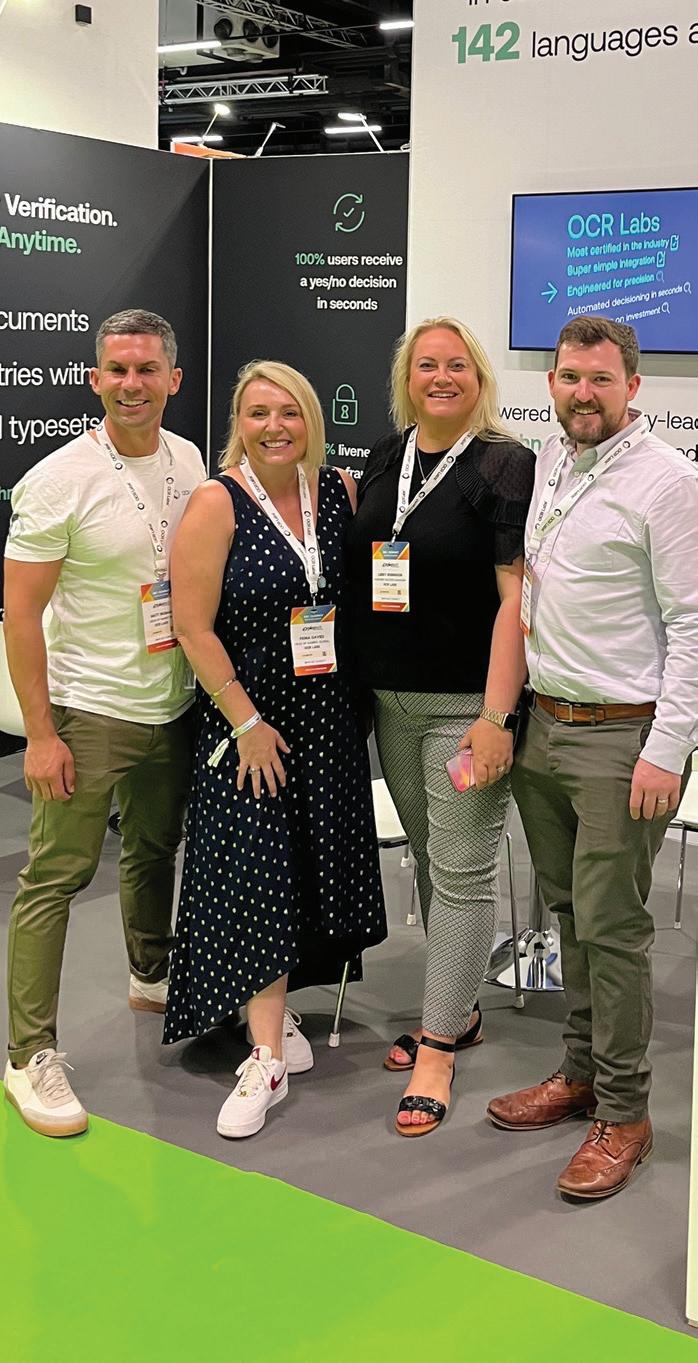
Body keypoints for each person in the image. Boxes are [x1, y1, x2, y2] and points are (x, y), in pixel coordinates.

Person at [487, 315, 698, 1199]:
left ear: (633, 387)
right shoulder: (552, 460)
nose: (583, 393)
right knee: (569, 915)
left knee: (612, 930)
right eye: (570, 377)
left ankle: (626, 1113)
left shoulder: (669, 482)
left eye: (601, 379)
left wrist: (667, 748)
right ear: (552, 384)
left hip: (624, 739)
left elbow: (692, 623)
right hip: (548, 727)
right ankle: (580, 1072)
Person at [163, 360, 386, 1138]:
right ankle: (265, 1059)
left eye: (288, 411)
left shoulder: (339, 491)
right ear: (239, 423)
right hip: (251, 723)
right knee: (259, 872)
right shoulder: (216, 502)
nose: (274, 426)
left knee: (305, 873)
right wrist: (246, 722)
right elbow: (192, 626)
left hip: (326, 721)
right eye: (258, 413)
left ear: (311, 419)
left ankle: (273, 1005)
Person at [3, 309, 206, 1137]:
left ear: (173, 379)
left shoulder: (188, 460)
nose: (132, 384)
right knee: (55, 877)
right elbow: (20, 614)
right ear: (95, 380)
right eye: (117, 369)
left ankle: (151, 975)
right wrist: (41, 733)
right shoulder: (58, 479)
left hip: (174, 705)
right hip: (90, 711)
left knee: (154, 849)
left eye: (147, 369)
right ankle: (28, 1054)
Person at [344, 317, 535, 1137]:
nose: (442, 377)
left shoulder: (504, 462)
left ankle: (437, 1048)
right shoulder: (387, 456)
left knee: (460, 873)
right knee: (429, 857)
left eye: (457, 364)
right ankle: (458, 1009)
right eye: (427, 364)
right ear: (407, 377)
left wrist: (497, 715)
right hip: (392, 700)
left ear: (479, 377)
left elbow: (515, 599)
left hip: (464, 709)